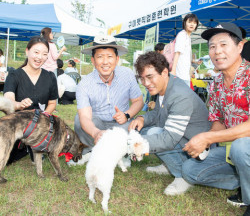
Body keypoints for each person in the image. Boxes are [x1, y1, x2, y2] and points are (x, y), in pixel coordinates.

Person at [181, 23, 250, 216]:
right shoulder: (216, 83)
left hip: (243, 147)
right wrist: (205, 141)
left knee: (242, 146)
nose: (217, 51)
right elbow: (218, 120)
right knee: (189, 170)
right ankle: (244, 183)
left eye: (223, 44)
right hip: (234, 151)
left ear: (240, 46)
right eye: (212, 46)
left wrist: (208, 139)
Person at [128, 51, 211, 196]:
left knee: (153, 134)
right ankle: (169, 165)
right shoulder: (165, 85)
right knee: (145, 130)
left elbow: (169, 139)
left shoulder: (179, 94)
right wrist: (142, 119)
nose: (146, 83)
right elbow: (158, 113)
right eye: (142, 78)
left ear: (164, 72)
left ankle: (182, 175)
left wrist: (131, 144)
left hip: (197, 150)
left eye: (149, 77)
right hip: (183, 139)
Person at [69, 35, 144, 166]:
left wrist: (127, 115)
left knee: (133, 128)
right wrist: (96, 132)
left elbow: (138, 101)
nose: (105, 62)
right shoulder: (84, 84)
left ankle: (115, 154)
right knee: (78, 120)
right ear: (93, 60)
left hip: (121, 124)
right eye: (100, 57)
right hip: (97, 124)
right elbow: (85, 117)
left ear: (117, 59)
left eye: (109, 57)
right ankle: (93, 151)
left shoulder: (127, 75)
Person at [3, 36, 58, 164]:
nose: (40, 57)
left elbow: (52, 103)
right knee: (7, 157)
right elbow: (8, 100)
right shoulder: (14, 75)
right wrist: (18, 104)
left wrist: (43, 118)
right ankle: (24, 147)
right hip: (17, 125)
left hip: (40, 124)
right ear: (27, 51)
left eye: (44, 54)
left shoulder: (50, 77)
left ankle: (34, 146)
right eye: (36, 52)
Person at [171, 13, 199, 87]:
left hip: (185, 74)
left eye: (194, 23)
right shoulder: (182, 35)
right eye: (189, 22)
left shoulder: (188, 36)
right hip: (180, 74)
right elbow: (177, 53)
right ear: (185, 23)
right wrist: (173, 71)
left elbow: (185, 56)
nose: (192, 24)